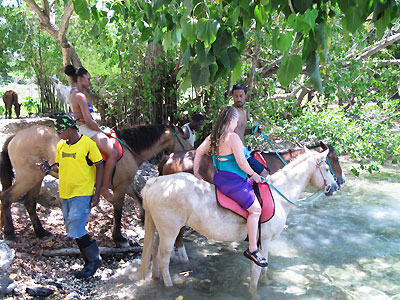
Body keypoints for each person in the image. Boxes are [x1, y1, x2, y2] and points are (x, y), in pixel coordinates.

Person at [193, 106, 268, 267]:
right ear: (232, 120)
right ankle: (253, 249)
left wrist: (196, 173)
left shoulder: (212, 137)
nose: (237, 124)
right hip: (234, 182)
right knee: (256, 210)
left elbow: (198, 152)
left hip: (220, 178)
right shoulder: (232, 137)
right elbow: (242, 163)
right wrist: (254, 174)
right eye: (236, 121)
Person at [39, 113, 103, 279]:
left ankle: (92, 261)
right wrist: (47, 169)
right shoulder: (62, 145)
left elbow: (100, 165)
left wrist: (97, 193)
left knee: (76, 228)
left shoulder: (88, 144)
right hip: (66, 192)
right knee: (72, 229)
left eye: (59, 131)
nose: (58, 134)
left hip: (82, 193)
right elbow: (61, 167)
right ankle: (93, 258)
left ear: (68, 129)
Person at [64, 65, 118, 204]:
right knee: (114, 153)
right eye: (88, 79)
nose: (90, 82)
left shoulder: (73, 93)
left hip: (80, 127)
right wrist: (101, 130)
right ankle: (104, 188)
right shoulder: (80, 96)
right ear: (80, 79)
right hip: (84, 129)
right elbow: (88, 121)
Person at [231, 83, 270, 177]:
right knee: (264, 174)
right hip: (238, 152)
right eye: (236, 96)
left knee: (266, 168)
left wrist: (253, 131)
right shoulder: (231, 113)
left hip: (245, 150)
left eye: (241, 96)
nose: (239, 99)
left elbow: (240, 132)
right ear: (232, 96)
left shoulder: (243, 112)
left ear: (246, 96)